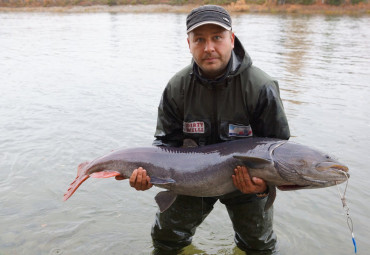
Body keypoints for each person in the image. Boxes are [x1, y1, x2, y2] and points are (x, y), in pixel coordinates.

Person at [118, 5, 290, 255]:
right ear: (189, 44)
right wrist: (149, 175)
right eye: (199, 39)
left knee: (259, 247)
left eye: (217, 37)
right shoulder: (177, 87)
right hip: (189, 181)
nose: (208, 47)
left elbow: (280, 153)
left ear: (231, 39)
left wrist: (262, 187)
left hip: (246, 183)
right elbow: (164, 143)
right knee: (166, 241)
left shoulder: (261, 87)